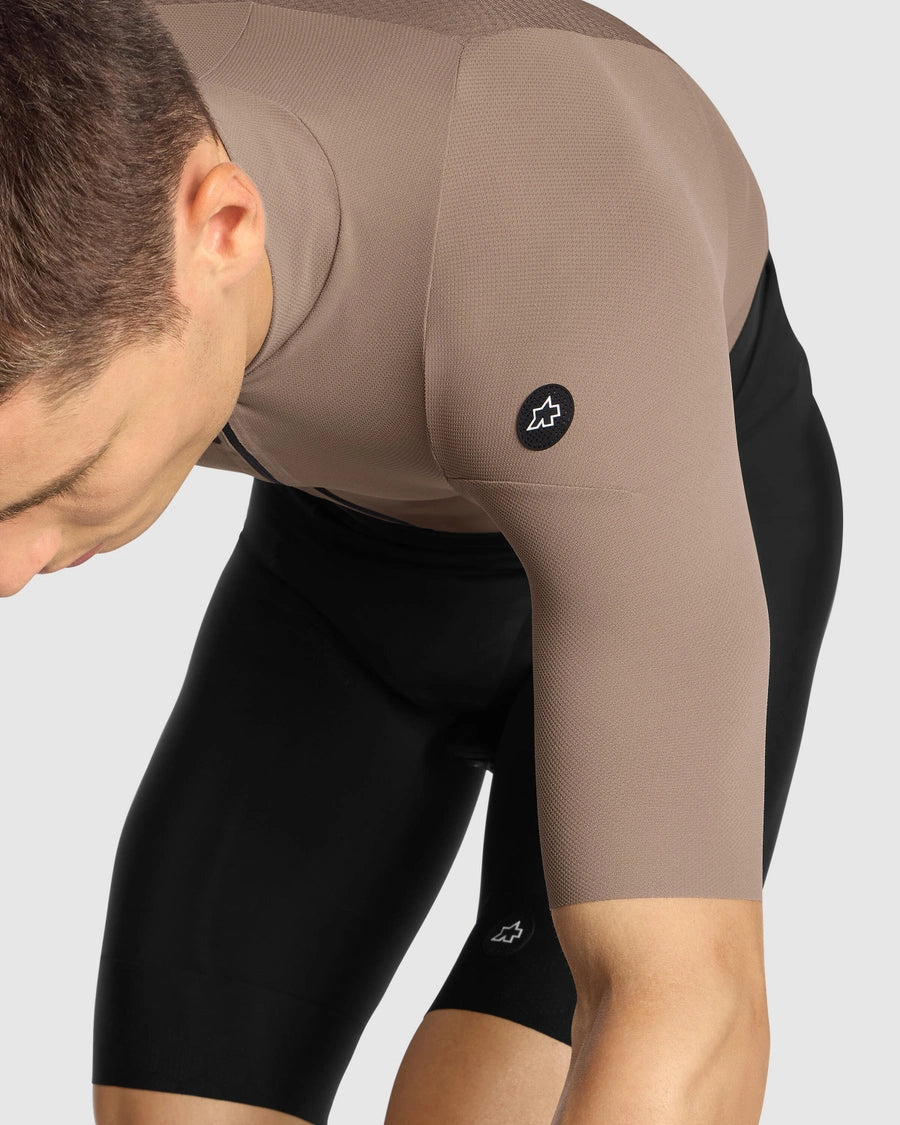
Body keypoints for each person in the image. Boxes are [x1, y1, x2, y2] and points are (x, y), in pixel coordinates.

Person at [0, 1, 843, 1122]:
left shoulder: (556, 219)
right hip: (344, 565)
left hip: (663, 505)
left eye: (56, 484)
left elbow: (688, 1004)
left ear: (223, 228)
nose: (8, 572)